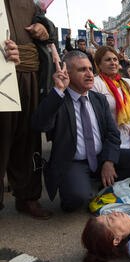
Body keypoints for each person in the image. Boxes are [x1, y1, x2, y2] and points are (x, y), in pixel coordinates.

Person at [32, 51, 130, 212]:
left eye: (91, 69)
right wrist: (57, 90)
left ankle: (117, 192)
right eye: (82, 70)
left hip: (100, 157)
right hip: (73, 161)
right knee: (77, 199)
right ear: (67, 74)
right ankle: (77, 188)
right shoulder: (58, 99)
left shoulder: (98, 99)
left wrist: (109, 161)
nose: (89, 74)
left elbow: (113, 135)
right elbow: (40, 125)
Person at [0, 0, 56, 219]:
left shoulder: (31, 4)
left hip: (31, 77)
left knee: (29, 139)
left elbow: (48, 29)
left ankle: (27, 198)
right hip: (3, 78)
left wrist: (43, 28)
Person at [91, 46, 130, 150]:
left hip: (128, 140)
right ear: (99, 64)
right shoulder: (95, 84)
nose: (113, 63)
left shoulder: (127, 83)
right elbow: (96, 119)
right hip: (107, 142)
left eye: (115, 59)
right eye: (108, 60)